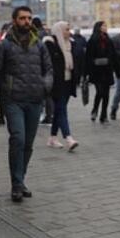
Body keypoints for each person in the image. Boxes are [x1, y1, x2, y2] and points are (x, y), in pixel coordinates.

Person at [0, 6, 53, 202]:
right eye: (23, 18)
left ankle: (20, 180)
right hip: (13, 100)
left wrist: (44, 85)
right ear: (15, 20)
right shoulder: (4, 46)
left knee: (28, 144)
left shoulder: (39, 44)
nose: (27, 21)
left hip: (35, 99)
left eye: (29, 18)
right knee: (18, 139)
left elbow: (48, 70)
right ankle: (16, 184)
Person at [43, 21, 80, 151]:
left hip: (68, 81)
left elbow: (77, 60)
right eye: (66, 29)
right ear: (59, 30)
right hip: (56, 82)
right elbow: (48, 64)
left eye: (69, 29)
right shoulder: (50, 43)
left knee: (59, 110)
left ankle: (52, 138)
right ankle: (68, 138)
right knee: (61, 109)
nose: (68, 32)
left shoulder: (71, 43)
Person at [85, 21, 120, 123]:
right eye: (104, 26)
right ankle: (95, 109)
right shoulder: (92, 40)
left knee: (106, 94)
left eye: (106, 26)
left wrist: (117, 71)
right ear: (98, 27)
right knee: (100, 92)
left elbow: (114, 56)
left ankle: (103, 115)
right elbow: (88, 57)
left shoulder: (108, 40)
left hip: (107, 70)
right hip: (96, 71)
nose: (106, 27)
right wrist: (87, 72)